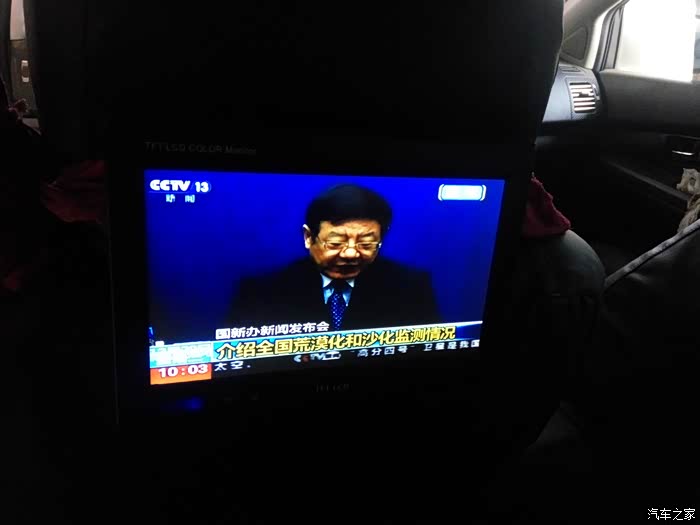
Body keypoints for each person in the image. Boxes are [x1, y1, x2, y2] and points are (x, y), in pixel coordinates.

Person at [229, 184, 439, 331]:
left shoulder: (410, 287)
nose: (350, 253)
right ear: (309, 237)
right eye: (336, 242)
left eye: (366, 243)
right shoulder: (261, 293)